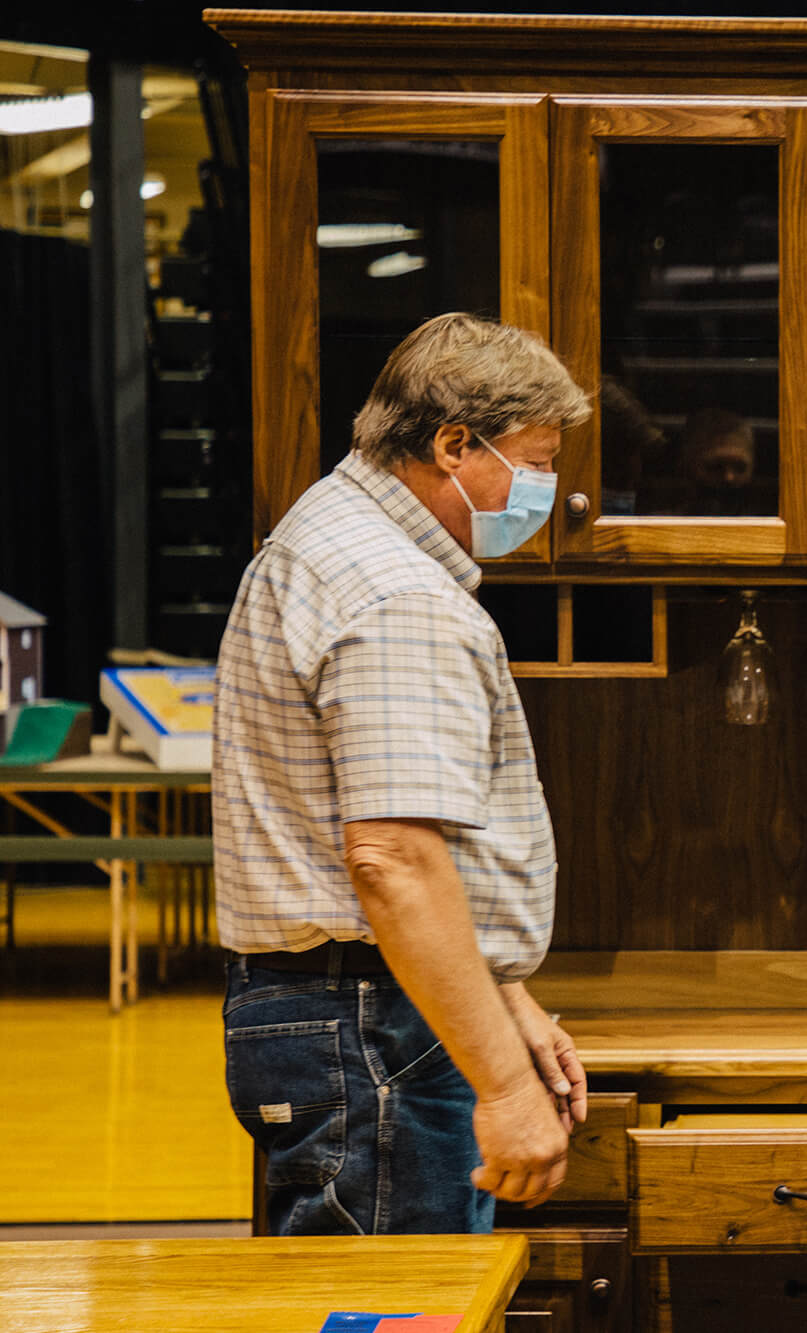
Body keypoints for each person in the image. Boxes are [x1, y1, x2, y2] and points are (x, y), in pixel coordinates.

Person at [213, 312, 594, 1235]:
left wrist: (501, 990)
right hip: (375, 1028)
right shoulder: (397, 594)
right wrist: (502, 1083)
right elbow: (391, 858)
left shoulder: (325, 535)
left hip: (341, 1010)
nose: (547, 489)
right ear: (454, 444)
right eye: (536, 461)